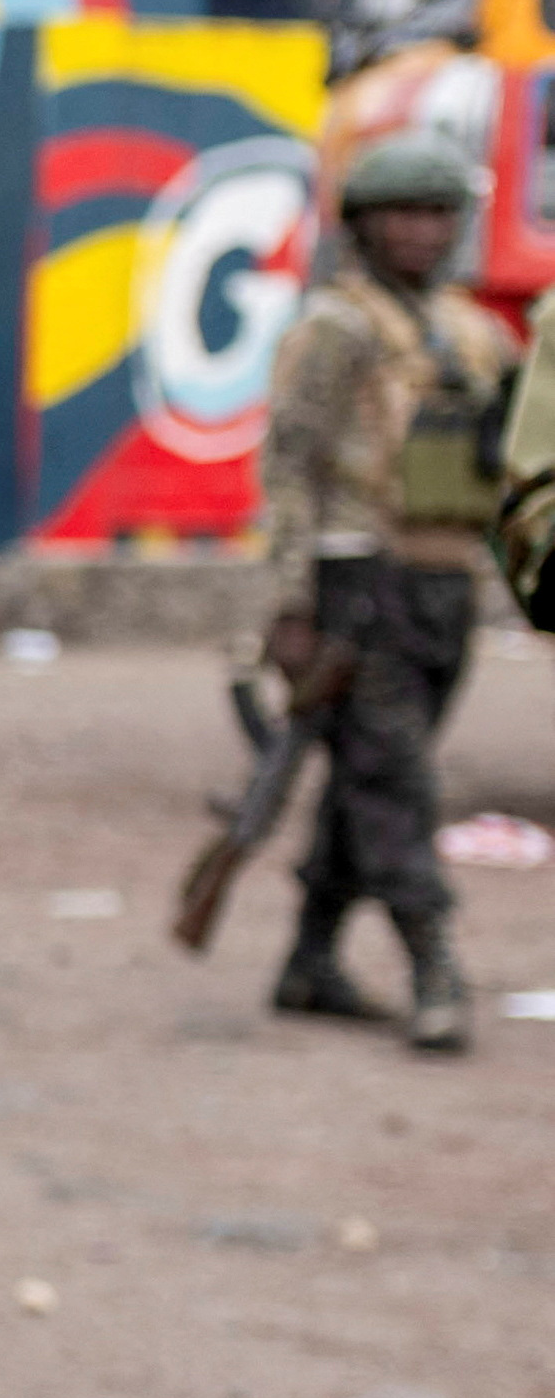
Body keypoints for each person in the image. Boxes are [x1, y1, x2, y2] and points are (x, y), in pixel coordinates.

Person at [250, 133, 509, 1053]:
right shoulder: (337, 327)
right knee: (395, 781)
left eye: (438, 213)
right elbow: (290, 465)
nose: (421, 232)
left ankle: (310, 959)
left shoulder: (477, 333)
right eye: (402, 213)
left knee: (366, 781)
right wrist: (289, 603)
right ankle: (435, 965)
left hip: (446, 581)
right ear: (362, 225)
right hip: (360, 580)